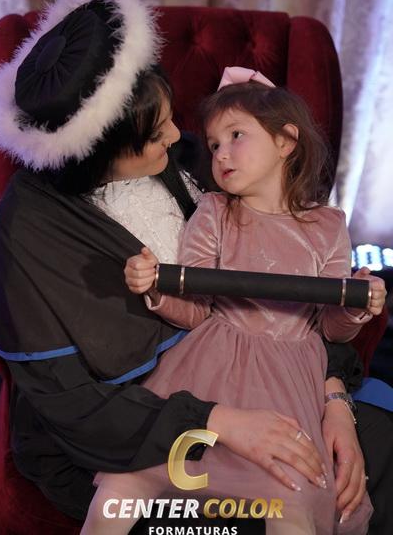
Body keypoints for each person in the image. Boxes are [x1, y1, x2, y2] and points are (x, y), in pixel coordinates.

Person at [0, 0, 389, 533]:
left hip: (271, 382)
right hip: (132, 429)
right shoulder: (30, 234)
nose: (178, 137)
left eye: (170, 118)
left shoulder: (187, 164)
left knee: (367, 462)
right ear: (98, 155)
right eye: (156, 134)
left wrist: (335, 400)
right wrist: (222, 423)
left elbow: (302, 293)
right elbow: (74, 403)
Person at [83, 67, 386, 535]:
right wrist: (155, 288)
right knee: (124, 487)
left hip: (289, 376)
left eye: (236, 136)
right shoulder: (214, 212)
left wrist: (356, 306)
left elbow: (330, 328)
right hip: (212, 364)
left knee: (291, 495)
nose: (221, 153)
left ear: (285, 141)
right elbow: (195, 309)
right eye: (213, 145)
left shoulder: (327, 225)